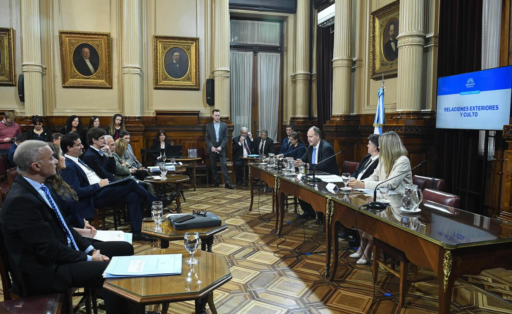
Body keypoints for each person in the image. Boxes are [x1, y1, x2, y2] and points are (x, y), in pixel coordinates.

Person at [0, 140, 138, 313]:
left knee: (123, 249)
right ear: (36, 166)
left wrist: (88, 250)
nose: (56, 161)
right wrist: (88, 258)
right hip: (42, 272)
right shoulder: (21, 201)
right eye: (51, 158)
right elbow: (48, 249)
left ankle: (121, 304)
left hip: (58, 255)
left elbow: (65, 228)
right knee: (111, 270)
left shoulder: (39, 187)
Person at [60, 132, 156, 242]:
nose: (82, 146)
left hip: (102, 188)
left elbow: (111, 170)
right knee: (130, 182)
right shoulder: (68, 165)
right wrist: (99, 185)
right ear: (69, 147)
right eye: (78, 145)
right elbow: (76, 192)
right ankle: (155, 203)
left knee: (133, 195)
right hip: (93, 196)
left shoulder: (77, 159)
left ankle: (137, 232)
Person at [348, 131, 412, 265]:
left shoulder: (403, 161)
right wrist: (359, 183)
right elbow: (375, 176)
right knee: (364, 215)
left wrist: (363, 184)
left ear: (389, 146)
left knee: (373, 218)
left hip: (399, 206)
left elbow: (391, 183)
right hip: (385, 200)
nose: (380, 148)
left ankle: (368, 250)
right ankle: (363, 247)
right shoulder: (384, 158)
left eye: (382, 145)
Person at [294, 126, 339, 219]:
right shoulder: (311, 147)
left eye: (310, 137)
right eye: (307, 137)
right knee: (298, 185)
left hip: (328, 178)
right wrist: (298, 161)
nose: (308, 139)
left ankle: (321, 214)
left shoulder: (326, 148)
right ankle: (309, 211)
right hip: (315, 176)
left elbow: (324, 166)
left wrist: (307, 165)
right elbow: (304, 159)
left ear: (317, 136)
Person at [205, 109, 232, 189]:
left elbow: (226, 137)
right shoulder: (208, 125)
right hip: (212, 148)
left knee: (224, 165)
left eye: (219, 115)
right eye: (216, 115)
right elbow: (207, 138)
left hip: (221, 148)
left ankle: (227, 183)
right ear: (213, 116)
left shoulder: (224, 125)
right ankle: (216, 182)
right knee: (213, 166)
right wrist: (211, 147)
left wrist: (221, 146)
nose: (217, 117)